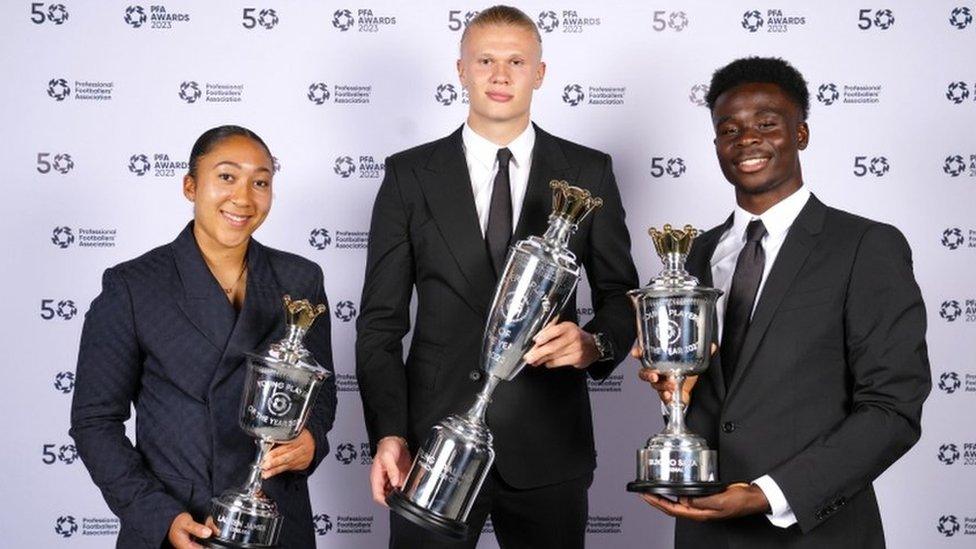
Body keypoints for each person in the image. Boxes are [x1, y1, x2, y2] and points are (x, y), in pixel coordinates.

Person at [355, 5, 638, 548]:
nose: (501, 75)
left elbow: (619, 294)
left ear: (540, 73)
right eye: (485, 60)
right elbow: (380, 326)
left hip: (549, 445)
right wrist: (390, 433)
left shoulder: (589, 170)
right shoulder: (408, 175)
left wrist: (593, 343)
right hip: (432, 444)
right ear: (461, 69)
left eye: (516, 61)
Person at [638, 57, 931, 548]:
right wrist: (674, 388)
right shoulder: (693, 256)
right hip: (705, 529)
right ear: (716, 145)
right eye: (729, 129)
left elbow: (892, 408)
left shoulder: (865, 246)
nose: (747, 139)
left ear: (801, 134)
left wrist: (767, 494)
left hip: (816, 531)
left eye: (767, 124)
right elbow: (723, 397)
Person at [70, 125, 337, 549]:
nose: (244, 197)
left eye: (261, 182)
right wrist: (157, 515)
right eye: (226, 177)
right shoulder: (134, 286)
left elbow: (320, 394)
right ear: (190, 186)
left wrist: (311, 441)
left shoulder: (301, 278)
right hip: (181, 522)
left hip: (277, 521)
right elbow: (94, 422)